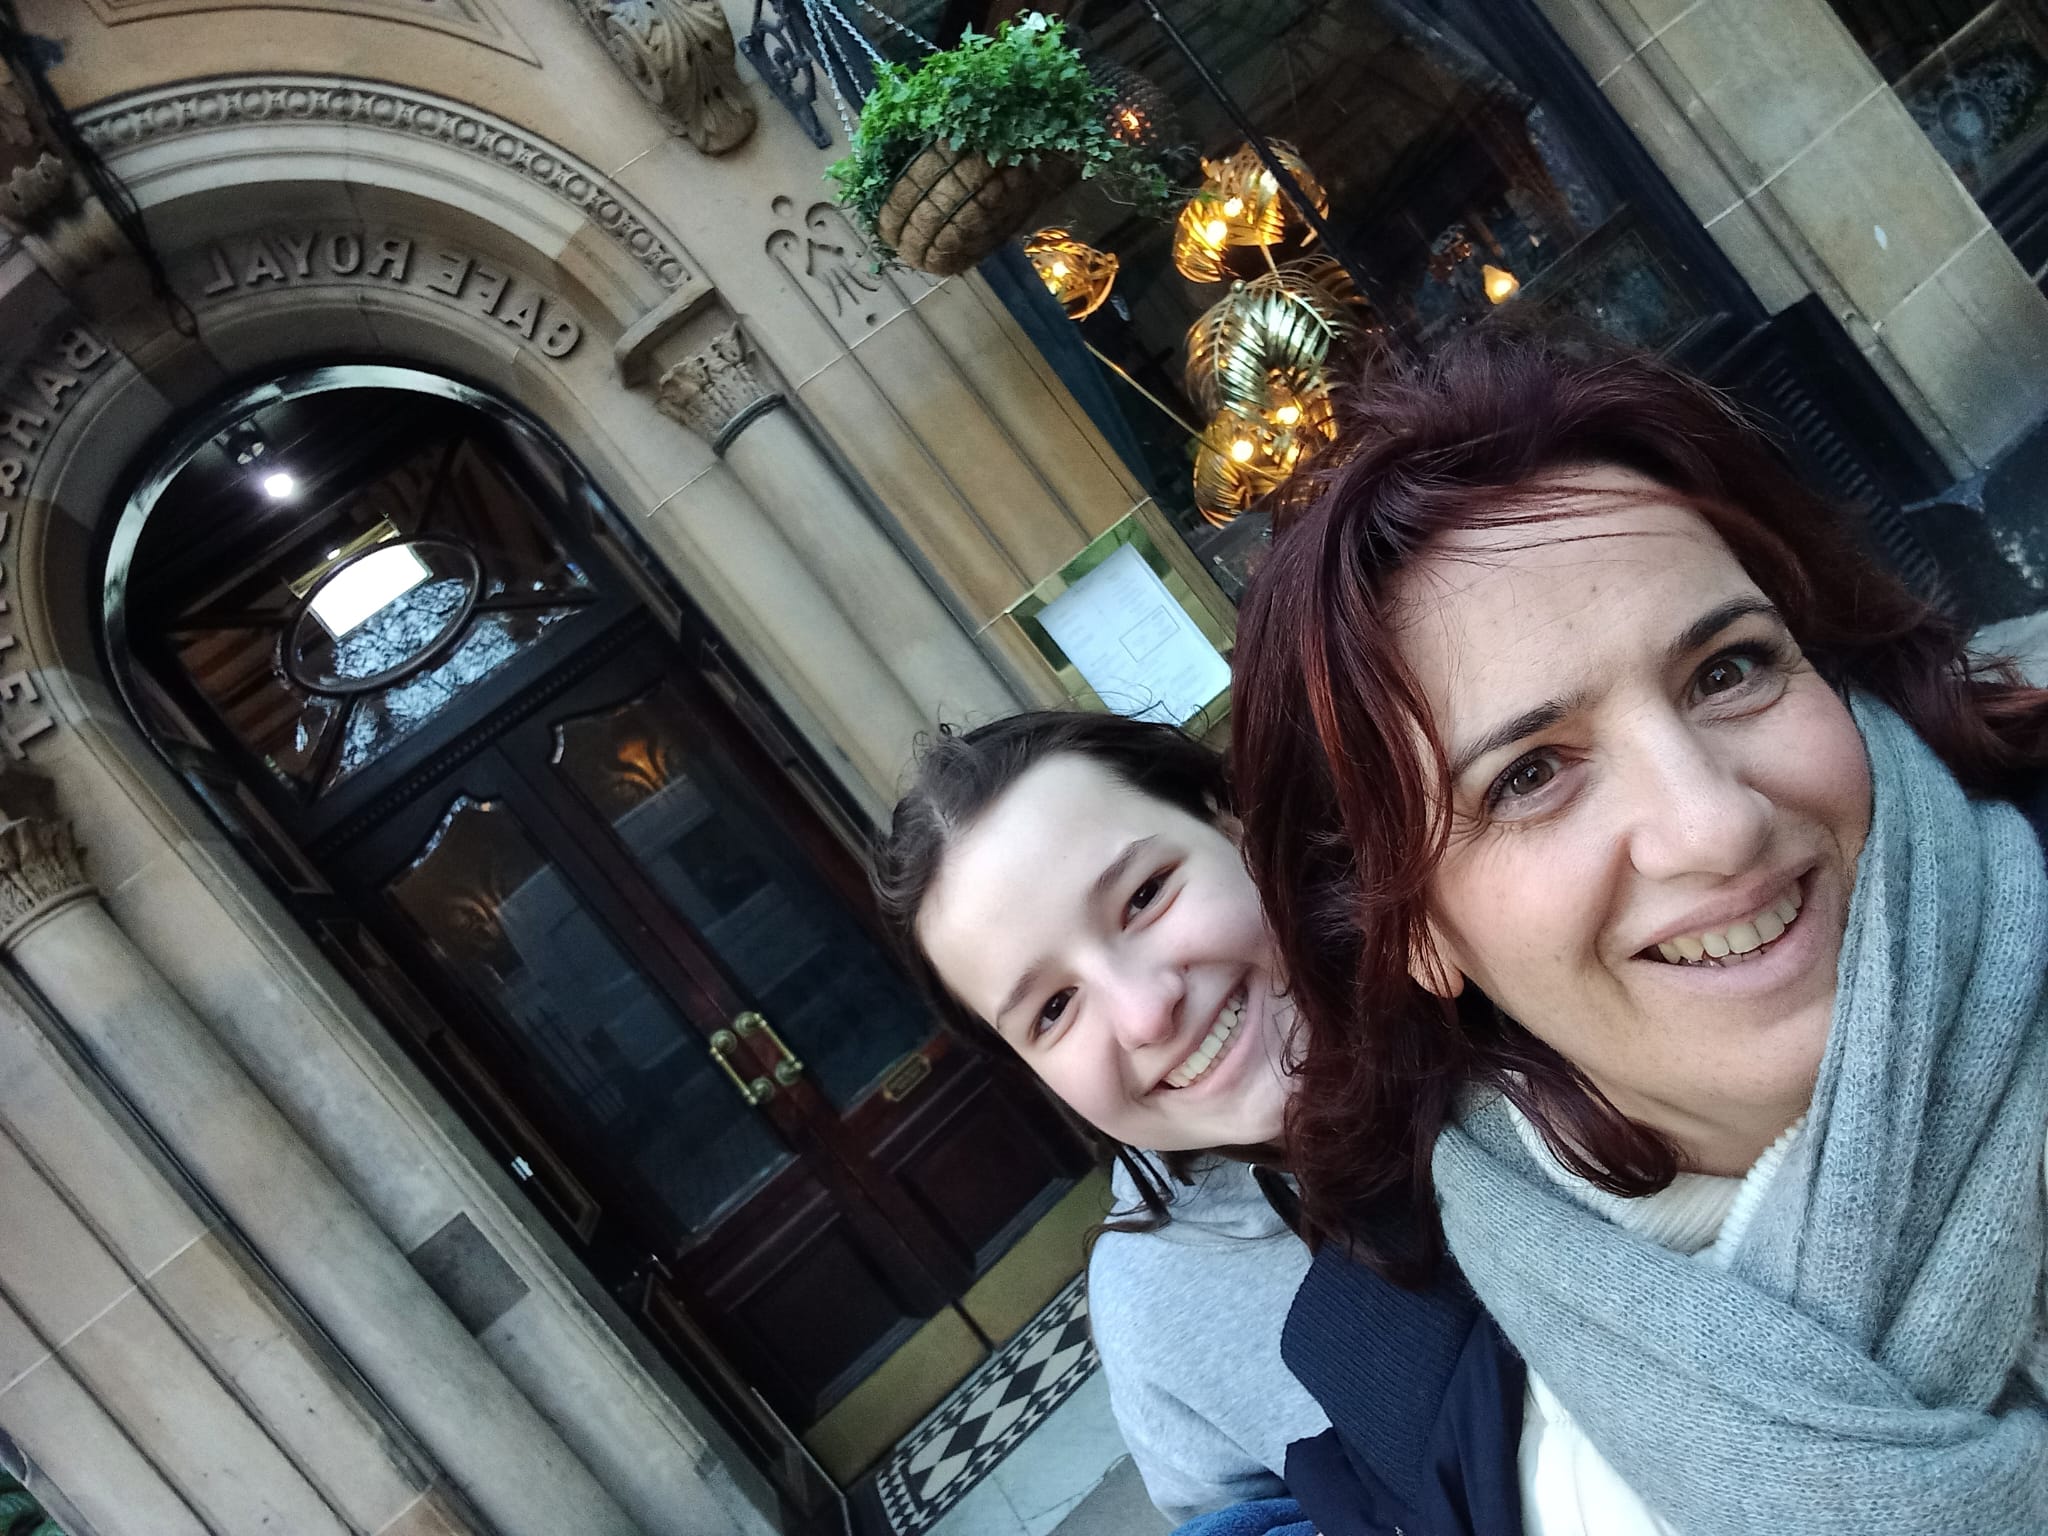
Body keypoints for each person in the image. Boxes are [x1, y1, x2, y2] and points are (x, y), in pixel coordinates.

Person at [1229, 330, 2048, 1535]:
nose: (1712, 825)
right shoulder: (1417, 1407)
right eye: (1528, 774)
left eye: (1727, 670)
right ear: (1414, 936)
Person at [874, 713, 1521, 1533]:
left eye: (1144, 897)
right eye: (1054, 1009)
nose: (1145, 1013)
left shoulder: (1508, 963)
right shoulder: (1152, 1310)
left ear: (1232, 825)